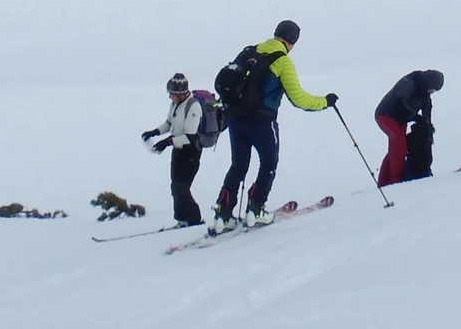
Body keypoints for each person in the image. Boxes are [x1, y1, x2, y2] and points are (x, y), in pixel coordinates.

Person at [210, 19, 335, 233]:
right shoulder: (282, 61)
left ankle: (223, 215)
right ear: (293, 41)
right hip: (262, 122)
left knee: (238, 165)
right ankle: (256, 210)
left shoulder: (250, 51)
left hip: (236, 119)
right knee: (268, 162)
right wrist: (325, 102)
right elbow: (299, 99)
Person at [141, 72, 206, 227]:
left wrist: (167, 142)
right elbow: (169, 123)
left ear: (181, 93)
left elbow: (190, 136)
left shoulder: (193, 107)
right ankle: (181, 219)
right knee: (175, 187)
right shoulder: (176, 104)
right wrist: (155, 132)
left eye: (172, 94)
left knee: (182, 188)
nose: (170, 97)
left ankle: (195, 220)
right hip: (177, 151)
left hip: (191, 152)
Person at [375, 70, 444, 185]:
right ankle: (394, 181)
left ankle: (383, 182)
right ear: (429, 83)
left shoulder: (424, 91)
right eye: (432, 89)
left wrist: (427, 123)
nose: (431, 92)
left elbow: (427, 107)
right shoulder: (410, 82)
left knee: (397, 148)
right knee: (399, 147)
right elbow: (403, 99)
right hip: (386, 115)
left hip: (400, 119)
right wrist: (415, 116)